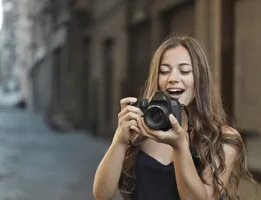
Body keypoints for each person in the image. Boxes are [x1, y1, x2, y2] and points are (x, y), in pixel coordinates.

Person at [93, 35, 256, 200]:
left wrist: (179, 147)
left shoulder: (223, 138)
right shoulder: (140, 126)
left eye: (184, 71)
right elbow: (102, 195)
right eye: (164, 71)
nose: (173, 79)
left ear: (200, 79)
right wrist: (119, 140)